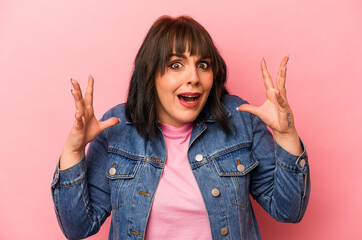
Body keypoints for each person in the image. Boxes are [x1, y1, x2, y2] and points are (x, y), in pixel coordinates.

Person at [51, 15, 310, 240]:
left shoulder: (240, 118)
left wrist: (286, 135)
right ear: (150, 74)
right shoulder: (117, 128)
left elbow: (289, 211)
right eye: (176, 65)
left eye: (203, 65)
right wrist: (74, 151)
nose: (194, 78)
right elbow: (77, 227)